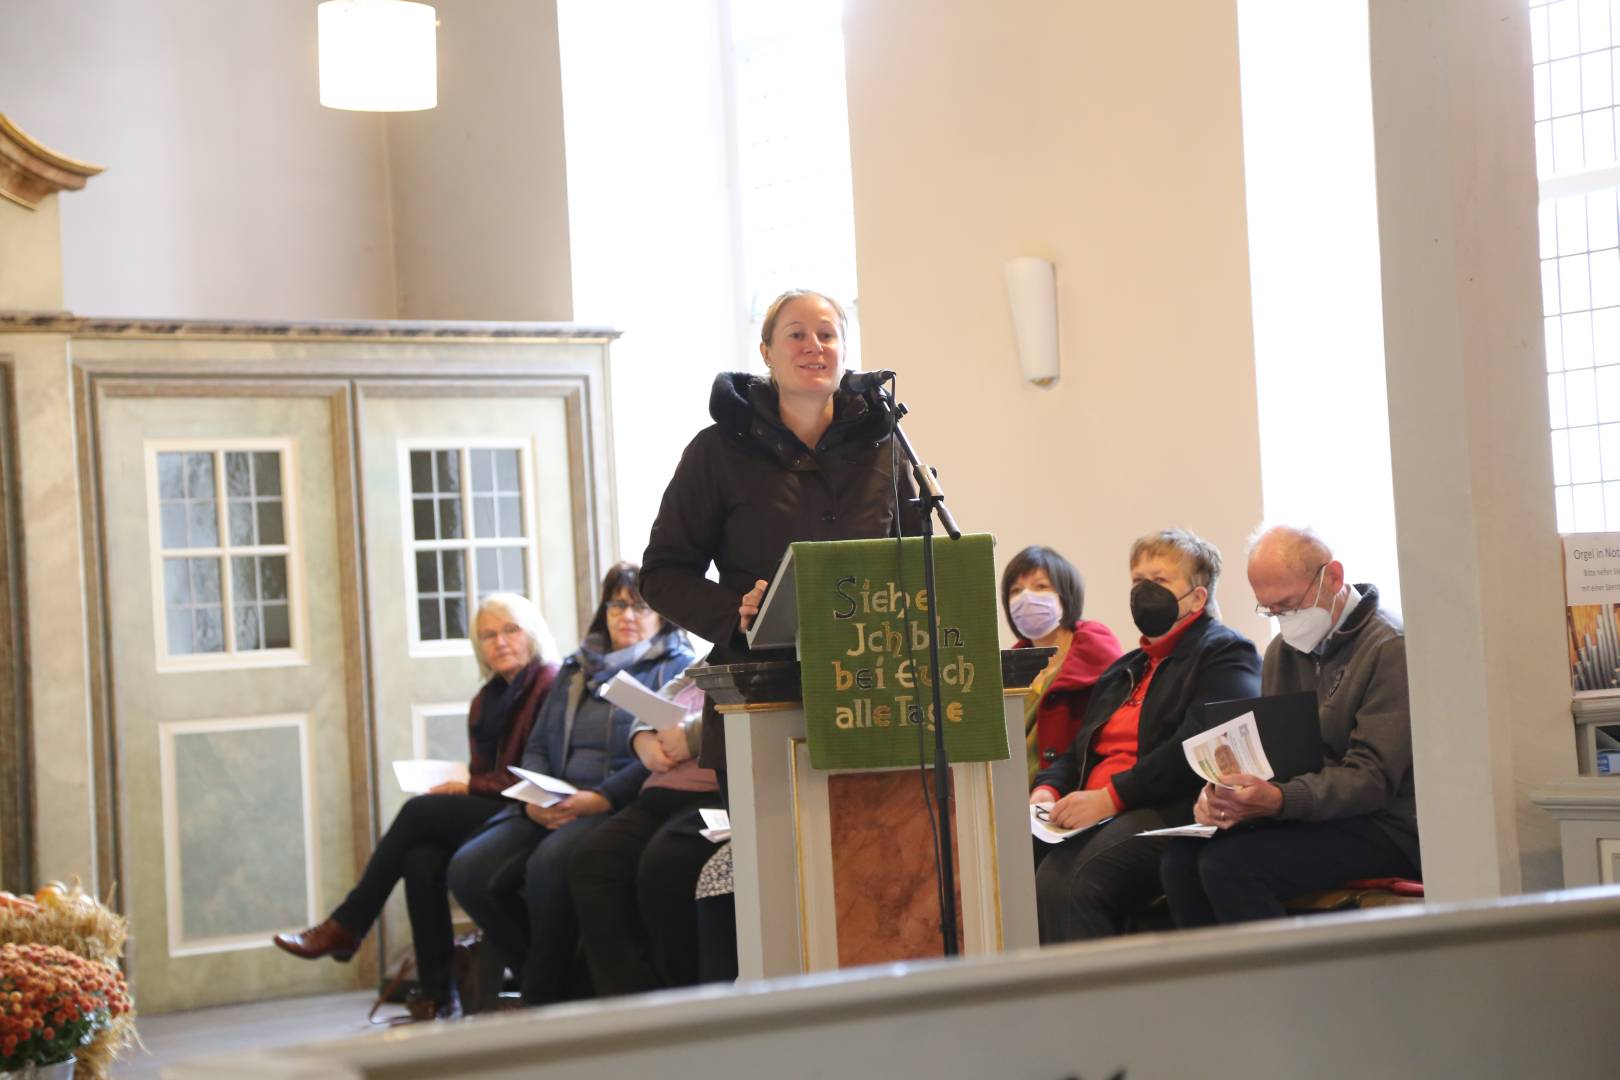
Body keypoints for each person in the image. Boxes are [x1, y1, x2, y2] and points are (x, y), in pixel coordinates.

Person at [640, 288, 920, 780]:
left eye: (827, 334)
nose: (814, 345)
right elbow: (663, 573)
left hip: (872, 694)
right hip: (759, 691)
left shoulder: (886, 447)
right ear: (767, 353)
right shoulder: (717, 452)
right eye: (797, 335)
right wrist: (737, 614)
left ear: (844, 352)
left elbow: (918, 561)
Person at [272, 592, 560, 1020]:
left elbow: (532, 772)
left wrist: (467, 786)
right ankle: (437, 996)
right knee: (420, 859)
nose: (500, 642)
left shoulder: (549, 682)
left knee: (418, 813)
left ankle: (348, 926)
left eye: (510, 630)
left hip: (531, 810)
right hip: (495, 806)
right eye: (488, 635)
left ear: (531, 634)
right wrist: (469, 784)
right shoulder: (486, 700)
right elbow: (487, 772)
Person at [447, 563, 694, 1006]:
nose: (627, 615)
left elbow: (658, 757)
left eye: (640, 606)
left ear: (661, 615)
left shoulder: (675, 669)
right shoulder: (578, 666)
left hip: (612, 801)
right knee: (467, 870)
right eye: (617, 604)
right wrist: (535, 799)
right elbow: (539, 742)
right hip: (553, 795)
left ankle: (541, 997)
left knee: (546, 867)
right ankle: (553, 982)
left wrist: (601, 798)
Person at [1160, 525, 1419, 927]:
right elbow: (1274, 755)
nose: (1283, 620)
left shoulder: (1389, 647)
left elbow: (1371, 779)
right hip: (1313, 813)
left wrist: (1277, 801)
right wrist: (1225, 796)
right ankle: (1216, 988)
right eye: (1271, 610)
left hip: (1384, 825)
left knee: (1230, 865)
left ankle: (1285, 988)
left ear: (1332, 577)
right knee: (1179, 859)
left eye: (1289, 605)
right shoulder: (1284, 651)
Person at [1029, 528, 1261, 942]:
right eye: (1138, 581)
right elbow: (1080, 750)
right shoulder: (1124, 669)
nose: (1143, 591)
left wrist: (1109, 798)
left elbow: (1198, 746)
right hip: (1099, 812)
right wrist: (1047, 790)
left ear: (1197, 597)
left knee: (1078, 880)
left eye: (1160, 581)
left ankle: (1106, 1006)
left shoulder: (1224, 653)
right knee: (1024, 871)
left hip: (1170, 810)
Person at [567, 687, 724, 996]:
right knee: (593, 860)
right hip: (658, 793)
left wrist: (691, 736)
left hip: (714, 796)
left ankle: (683, 1001)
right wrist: (642, 738)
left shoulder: (744, 657)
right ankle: (629, 1002)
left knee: (666, 861)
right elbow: (657, 701)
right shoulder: (698, 663)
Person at [1002, 545, 1124, 786]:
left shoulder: (1097, 655)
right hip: (1012, 795)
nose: (1026, 597)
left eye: (1041, 586)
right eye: (1016, 590)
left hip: (1073, 790)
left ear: (1066, 595)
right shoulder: (1009, 668)